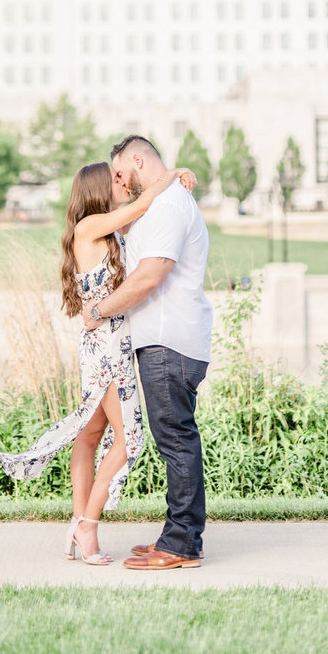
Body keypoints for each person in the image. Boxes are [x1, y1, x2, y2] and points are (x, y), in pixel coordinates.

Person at [0, 160, 196, 566]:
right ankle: (87, 524)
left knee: (91, 436)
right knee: (130, 440)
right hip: (106, 348)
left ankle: (79, 525)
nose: (123, 182)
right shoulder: (89, 228)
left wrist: (175, 174)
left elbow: (140, 219)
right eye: (116, 179)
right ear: (98, 190)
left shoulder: (109, 230)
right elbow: (142, 206)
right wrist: (172, 174)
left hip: (111, 343)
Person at [83, 134, 212, 571]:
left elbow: (148, 278)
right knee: (173, 439)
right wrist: (172, 173)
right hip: (163, 339)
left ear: (137, 160)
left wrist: (98, 310)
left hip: (168, 341)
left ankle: (181, 544)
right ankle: (177, 535)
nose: (117, 180)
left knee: (176, 439)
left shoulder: (171, 206)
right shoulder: (162, 201)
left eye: (119, 172)